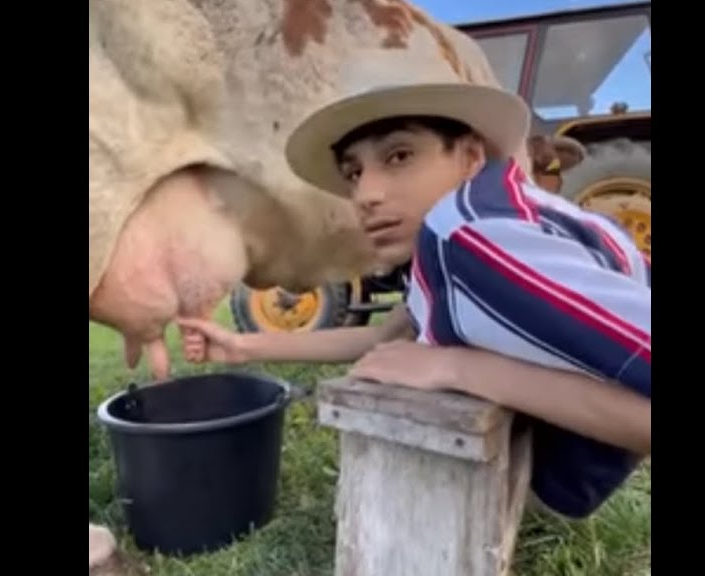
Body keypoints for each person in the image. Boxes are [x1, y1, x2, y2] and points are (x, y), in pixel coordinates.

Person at [176, 49, 650, 519]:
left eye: (399, 156)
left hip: (553, 479)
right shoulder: (484, 215)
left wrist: (459, 369)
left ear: (469, 156)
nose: (365, 195)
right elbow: (386, 335)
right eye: (354, 173)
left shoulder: (466, 237)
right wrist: (242, 347)